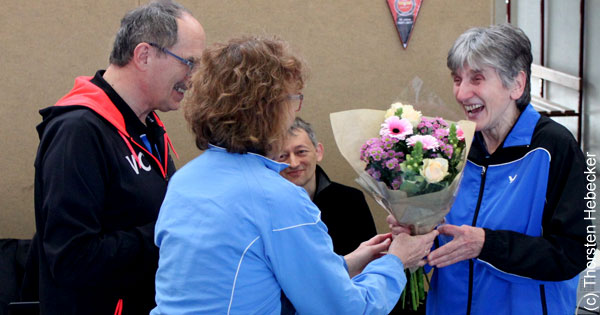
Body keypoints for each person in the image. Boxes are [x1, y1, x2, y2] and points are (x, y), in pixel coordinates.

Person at [152, 35, 438, 315]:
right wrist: (396, 261)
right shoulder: (277, 197)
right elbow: (345, 308)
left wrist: (350, 262)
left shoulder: (185, 180)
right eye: (293, 99)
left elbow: (246, 280)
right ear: (269, 109)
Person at [388, 24, 587, 314]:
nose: (462, 93)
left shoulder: (553, 148)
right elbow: (444, 241)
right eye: (457, 79)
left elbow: (575, 252)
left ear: (516, 84)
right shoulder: (450, 147)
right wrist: (416, 231)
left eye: (477, 79)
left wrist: (487, 244)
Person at [29, 1, 205, 314]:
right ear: (144, 55)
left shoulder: (147, 125)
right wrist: (167, 230)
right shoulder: (78, 131)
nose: (192, 77)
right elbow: (72, 259)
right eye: (187, 63)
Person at [276, 117, 378, 255]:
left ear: (318, 152)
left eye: (301, 152)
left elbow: (370, 261)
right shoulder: (265, 208)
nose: (293, 163)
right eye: (282, 156)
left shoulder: (350, 200)